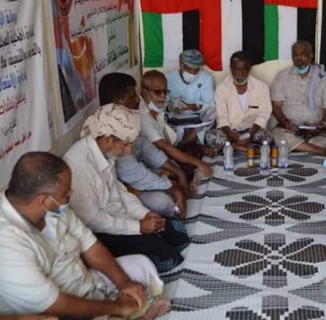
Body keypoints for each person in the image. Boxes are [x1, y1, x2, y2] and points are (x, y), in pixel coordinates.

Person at [0, 152, 171, 320]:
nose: (70, 194)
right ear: (43, 200)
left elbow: (89, 243)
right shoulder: (0, 241)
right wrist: (117, 307)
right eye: (65, 192)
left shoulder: (51, 207)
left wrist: (123, 283)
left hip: (82, 285)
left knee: (141, 266)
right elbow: (53, 305)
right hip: (46, 319)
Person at [64, 104, 189, 272]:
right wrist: (137, 227)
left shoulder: (104, 153)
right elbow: (93, 220)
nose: (128, 150)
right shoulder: (79, 164)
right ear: (108, 139)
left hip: (121, 219)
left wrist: (144, 214)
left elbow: (120, 193)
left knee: (177, 232)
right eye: (125, 144)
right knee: (167, 258)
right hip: (100, 232)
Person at [98, 72, 189, 218]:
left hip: (138, 174)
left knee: (173, 169)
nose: (137, 100)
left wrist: (178, 173)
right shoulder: (111, 131)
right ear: (117, 102)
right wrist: (174, 188)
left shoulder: (129, 119)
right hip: (126, 189)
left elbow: (146, 148)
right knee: (163, 202)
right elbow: (137, 175)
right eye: (132, 96)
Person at [139, 70, 214, 180]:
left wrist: (178, 106)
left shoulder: (154, 104)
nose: (163, 95)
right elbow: (165, 148)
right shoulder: (142, 115)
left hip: (168, 147)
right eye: (157, 91)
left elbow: (166, 107)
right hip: (156, 158)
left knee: (192, 149)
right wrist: (198, 163)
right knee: (187, 170)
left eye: (165, 91)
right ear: (145, 92)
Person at [271, 40, 326, 156]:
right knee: (278, 135)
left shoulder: (323, 78)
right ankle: (316, 150)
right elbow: (276, 106)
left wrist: (322, 124)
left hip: (315, 131)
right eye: (295, 54)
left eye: (302, 54)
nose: (298, 57)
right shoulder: (282, 76)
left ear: (310, 56)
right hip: (290, 129)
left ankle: (299, 147)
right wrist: (284, 122)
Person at [206, 51, 273, 151]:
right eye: (236, 69)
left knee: (267, 136)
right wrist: (232, 135)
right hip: (230, 132)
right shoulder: (222, 88)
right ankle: (248, 148)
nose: (240, 74)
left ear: (249, 68)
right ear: (231, 68)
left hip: (253, 131)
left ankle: (233, 147)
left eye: (244, 70)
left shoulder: (261, 87)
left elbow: (264, 113)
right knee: (210, 136)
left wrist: (250, 133)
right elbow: (221, 116)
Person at [166, 49, 215, 114]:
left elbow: (210, 105)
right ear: (181, 64)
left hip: (198, 118)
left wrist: (191, 106)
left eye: (196, 70)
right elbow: (161, 104)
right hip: (173, 118)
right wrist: (171, 106)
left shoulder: (206, 78)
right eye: (189, 69)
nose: (192, 73)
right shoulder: (169, 78)